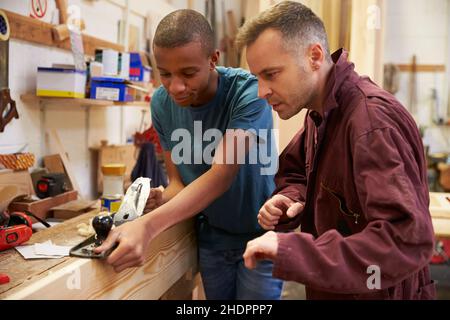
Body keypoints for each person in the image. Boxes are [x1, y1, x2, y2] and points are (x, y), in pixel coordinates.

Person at [236, 1, 436, 300]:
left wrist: (295, 252)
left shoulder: (370, 123)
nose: (261, 91)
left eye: (272, 74)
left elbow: (407, 239)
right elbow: (296, 171)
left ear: (314, 56)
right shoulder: (321, 114)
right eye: (257, 78)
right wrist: (288, 198)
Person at [95, 9, 283, 300]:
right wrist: (162, 197)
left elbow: (222, 175)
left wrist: (146, 227)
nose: (175, 87)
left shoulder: (248, 92)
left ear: (213, 59)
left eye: (188, 73)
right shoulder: (161, 103)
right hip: (211, 239)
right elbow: (178, 183)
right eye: (165, 74)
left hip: (260, 235)